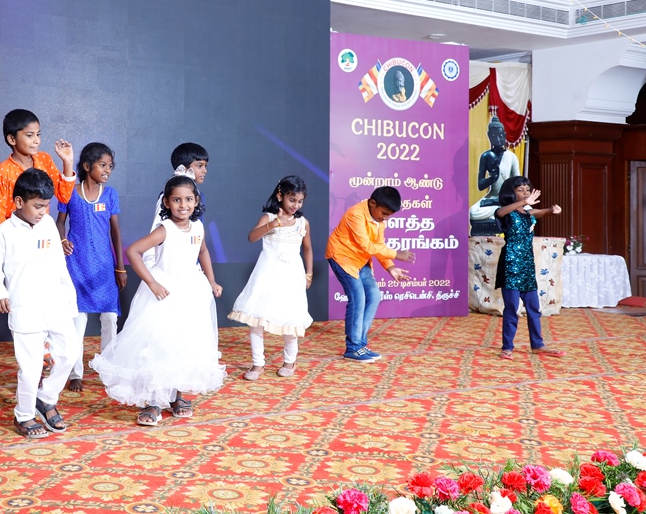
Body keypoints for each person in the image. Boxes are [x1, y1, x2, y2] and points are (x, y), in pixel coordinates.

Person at [90, 175, 225, 426]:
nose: (183, 205)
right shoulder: (165, 229)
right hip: (165, 293)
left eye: (188, 199)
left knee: (184, 344)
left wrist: (211, 280)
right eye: (177, 200)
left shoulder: (198, 227)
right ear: (166, 202)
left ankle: (177, 395)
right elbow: (133, 251)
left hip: (191, 293)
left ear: (196, 201)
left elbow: (203, 251)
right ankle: (153, 401)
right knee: (159, 345)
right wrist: (152, 283)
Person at [0, 168, 80, 438]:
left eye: (46, 205)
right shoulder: (4, 232)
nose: (43, 211)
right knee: (30, 367)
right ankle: (24, 415)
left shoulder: (48, 224)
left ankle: (46, 398)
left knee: (71, 352)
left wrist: (68, 298)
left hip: (55, 303)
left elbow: (60, 265)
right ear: (18, 202)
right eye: (37, 206)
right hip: (24, 306)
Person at [56, 142, 127, 392]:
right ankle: (75, 373)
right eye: (102, 165)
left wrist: (120, 267)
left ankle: (109, 369)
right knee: (77, 322)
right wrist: (62, 240)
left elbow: (116, 232)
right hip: (76, 264)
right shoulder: (70, 193)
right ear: (87, 166)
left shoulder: (110, 195)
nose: (107, 170)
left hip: (104, 267)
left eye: (110, 166)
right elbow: (60, 222)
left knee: (110, 318)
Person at [228, 176, 314, 380]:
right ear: (280, 196)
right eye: (292, 200)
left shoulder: (302, 223)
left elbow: (308, 249)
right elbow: (251, 237)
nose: (296, 205)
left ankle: (290, 361)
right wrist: (273, 224)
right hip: (266, 275)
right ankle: (258, 363)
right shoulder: (268, 218)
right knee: (257, 318)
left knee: (290, 319)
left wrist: (308, 274)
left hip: (291, 276)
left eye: (300, 201)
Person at [326, 186, 415, 363]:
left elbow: (378, 245)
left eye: (389, 215)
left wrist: (390, 267)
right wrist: (397, 254)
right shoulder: (356, 214)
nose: (385, 218)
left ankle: (360, 345)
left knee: (374, 296)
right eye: (384, 213)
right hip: (342, 258)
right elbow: (367, 246)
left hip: (361, 260)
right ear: (372, 203)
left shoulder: (379, 220)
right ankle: (353, 348)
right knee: (357, 299)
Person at [494, 176, 566, 360]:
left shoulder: (528, 212)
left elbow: (540, 212)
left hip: (527, 265)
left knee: (533, 307)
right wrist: (524, 202)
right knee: (512, 308)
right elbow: (500, 212)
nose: (525, 193)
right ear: (511, 193)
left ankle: (538, 345)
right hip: (511, 265)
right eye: (520, 190)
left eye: (527, 189)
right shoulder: (507, 212)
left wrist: (552, 210)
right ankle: (507, 347)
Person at [0, 108, 75, 228]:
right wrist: (8, 236)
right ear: (12, 139)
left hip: (41, 231)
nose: (37, 141)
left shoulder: (44, 160)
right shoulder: (2, 171)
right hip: (15, 233)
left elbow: (64, 196)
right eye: (30, 135)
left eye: (38, 134)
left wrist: (68, 162)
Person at [142, 142, 209, 270]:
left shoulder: (200, 196)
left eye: (205, 166)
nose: (204, 170)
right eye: (199, 166)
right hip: (169, 265)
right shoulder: (167, 196)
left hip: (191, 264)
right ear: (184, 168)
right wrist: (151, 268)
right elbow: (156, 229)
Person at [470, 115, 520, 229]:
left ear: (505, 135)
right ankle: (499, 210)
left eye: (500, 135)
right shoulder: (486, 156)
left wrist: (507, 198)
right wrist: (493, 178)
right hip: (493, 197)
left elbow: (519, 184)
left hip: (508, 199)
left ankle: (500, 210)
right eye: (493, 135)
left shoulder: (511, 157)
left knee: (527, 209)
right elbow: (481, 185)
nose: (497, 139)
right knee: (473, 212)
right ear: (488, 136)